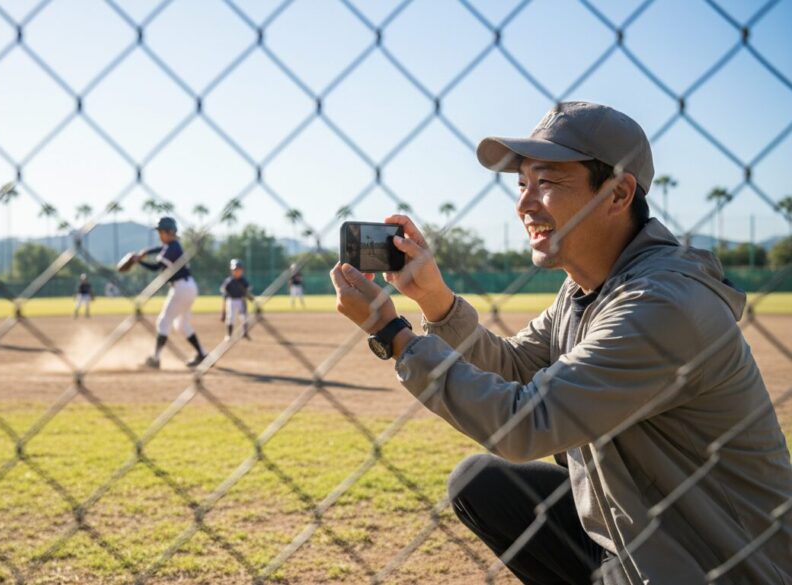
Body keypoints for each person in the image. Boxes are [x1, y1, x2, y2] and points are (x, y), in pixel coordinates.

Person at [329, 102, 792, 584]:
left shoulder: (661, 303)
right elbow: (513, 367)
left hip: (718, 566)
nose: (525, 203)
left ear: (617, 194)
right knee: (482, 485)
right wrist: (436, 302)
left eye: (547, 183)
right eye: (522, 184)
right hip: (640, 543)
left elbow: (525, 424)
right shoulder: (584, 289)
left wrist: (392, 334)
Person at [136, 217, 207, 368]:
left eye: (161, 232)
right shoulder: (174, 246)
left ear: (169, 232)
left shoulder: (171, 249)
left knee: (163, 322)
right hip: (189, 287)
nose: (159, 235)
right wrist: (146, 251)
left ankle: (155, 359)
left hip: (181, 288)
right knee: (181, 325)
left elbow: (156, 267)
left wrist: (138, 260)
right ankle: (202, 354)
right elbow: (160, 249)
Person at [219, 258, 254, 341]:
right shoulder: (229, 281)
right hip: (231, 301)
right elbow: (224, 295)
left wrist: (250, 298)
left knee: (244, 317)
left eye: (239, 269)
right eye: (235, 269)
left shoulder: (244, 281)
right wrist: (223, 311)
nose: (237, 271)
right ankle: (229, 335)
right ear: (231, 270)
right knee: (231, 317)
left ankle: (245, 333)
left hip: (242, 301)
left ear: (242, 270)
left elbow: (247, 292)